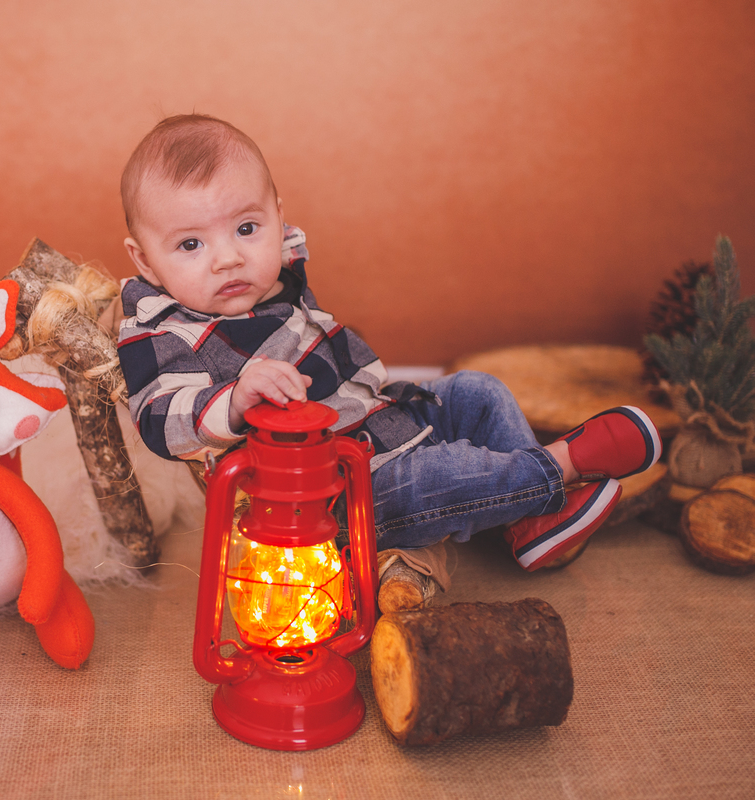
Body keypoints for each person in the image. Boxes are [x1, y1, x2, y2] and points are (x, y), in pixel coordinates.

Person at [115, 114, 660, 609]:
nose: (228, 257)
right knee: (442, 474)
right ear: (144, 258)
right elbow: (159, 419)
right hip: (328, 497)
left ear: (278, 220)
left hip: (381, 418)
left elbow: (294, 282)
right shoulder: (161, 328)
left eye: (246, 228)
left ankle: (529, 522)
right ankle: (561, 467)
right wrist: (233, 399)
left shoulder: (272, 270)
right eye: (190, 245)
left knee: (476, 392)